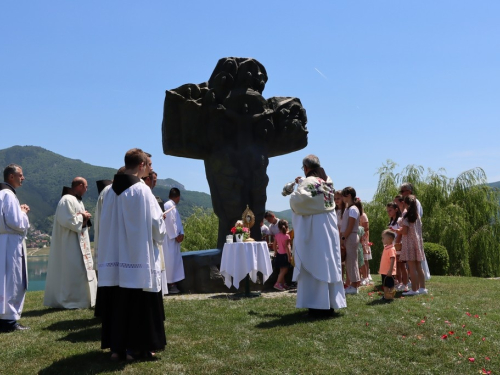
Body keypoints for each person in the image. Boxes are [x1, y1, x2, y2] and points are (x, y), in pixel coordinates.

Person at [97, 148, 167, 360]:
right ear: (142, 165)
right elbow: (157, 226)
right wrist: (162, 229)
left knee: (118, 304)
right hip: (137, 257)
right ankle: (137, 348)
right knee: (139, 304)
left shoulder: (108, 192)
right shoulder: (142, 190)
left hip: (113, 258)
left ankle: (117, 348)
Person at [290, 154, 346, 318]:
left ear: (306, 168)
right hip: (329, 229)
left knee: (315, 263)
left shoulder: (308, 182)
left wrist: (296, 188)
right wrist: (302, 181)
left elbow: (298, 200)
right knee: (328, 265)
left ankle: (316, 306)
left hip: (315, 232)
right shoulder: (327, 180)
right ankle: (330, 304)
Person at [44, 177, 97, 309]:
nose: (86, 189)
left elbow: (78, 221)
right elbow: (67, 220)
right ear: (79, 185)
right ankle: (71, 300)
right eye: (86, 186)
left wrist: (84, 218)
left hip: (79, 241)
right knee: (73, 270)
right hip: (69, 243)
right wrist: (83, 217)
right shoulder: (67, 200)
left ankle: (83, 299)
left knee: (81, 270)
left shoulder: (76, 200)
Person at [0, 164, 30, 332]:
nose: (23, 178)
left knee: (2, 281)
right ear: (11, 176)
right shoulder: (9, 195)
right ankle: (9, 321)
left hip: (2, 241)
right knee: (12, 281)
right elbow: (15, 222)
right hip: (11, 244)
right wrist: (23, 212)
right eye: (20, 174)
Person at [398, 195, 427, 296]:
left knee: (411, 267)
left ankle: (414, 289)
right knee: (419, 266)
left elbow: (405, 231)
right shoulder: (417, 214)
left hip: (409, 242)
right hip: (417, 242)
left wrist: (397, 230)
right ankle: (422, 288)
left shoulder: (406, 214)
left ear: (405, 203)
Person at [161, 188, 185, 295]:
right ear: (178, 197)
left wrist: (181, 233)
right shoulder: (169, 206)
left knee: (172, 261)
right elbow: (171, 222)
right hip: (170, 239)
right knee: (170, 261)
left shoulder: (169, 205)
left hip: (171, 238)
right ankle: (171, 284)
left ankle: (171, 283)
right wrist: (176, 235)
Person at [341, 187, 362, 295]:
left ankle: (354, 286)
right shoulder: (349, 208)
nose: (342, 198)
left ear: (348, 195)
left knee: (352, 261)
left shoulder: (353, 209)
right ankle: (353, 284)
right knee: (350, 261)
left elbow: (351, 225)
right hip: (350, 236)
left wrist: (344, 237)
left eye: (344, 195)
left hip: (351, 236)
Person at [387, 201, 407, 292]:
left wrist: (396, 244)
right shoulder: (391, 221)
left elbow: (400, 233)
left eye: (390, 210)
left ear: (396, 210)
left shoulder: (399, 220)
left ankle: (405, 283)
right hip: (393, 244)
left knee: (402, 265)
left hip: (398, 244)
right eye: (387, 211)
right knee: (397, 265)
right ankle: (399, 282)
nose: (389, 212)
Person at [273, 219, 292, 291]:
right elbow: (287, 247)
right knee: (285, 270)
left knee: (281, 270)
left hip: (279, 255)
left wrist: (275, 251)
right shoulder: (287, 236)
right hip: (285, 255)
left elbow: (274, 245)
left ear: (278, 227)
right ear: (287, 227)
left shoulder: (277, 235)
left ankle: (282, 284)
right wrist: (289, 256)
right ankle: (277, 283)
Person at [379, 230, 397, 301]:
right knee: (385, 284)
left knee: (390, 284)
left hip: (389, 271)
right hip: (384, 271)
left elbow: (392, 259)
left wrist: (390, 270)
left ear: (389, 239)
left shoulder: (391, 249)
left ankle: (390, 296)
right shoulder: (386, 247)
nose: (382, 240)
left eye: (383, 238)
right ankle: (386, 296)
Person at [358, 200, 371, 285]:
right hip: (357, 238)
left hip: (363, 238)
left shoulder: (363, 215)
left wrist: (360, 235)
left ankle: (366, 276)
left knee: (364, 259)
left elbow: (366, 228)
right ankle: (359, 275)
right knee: (359, 258)